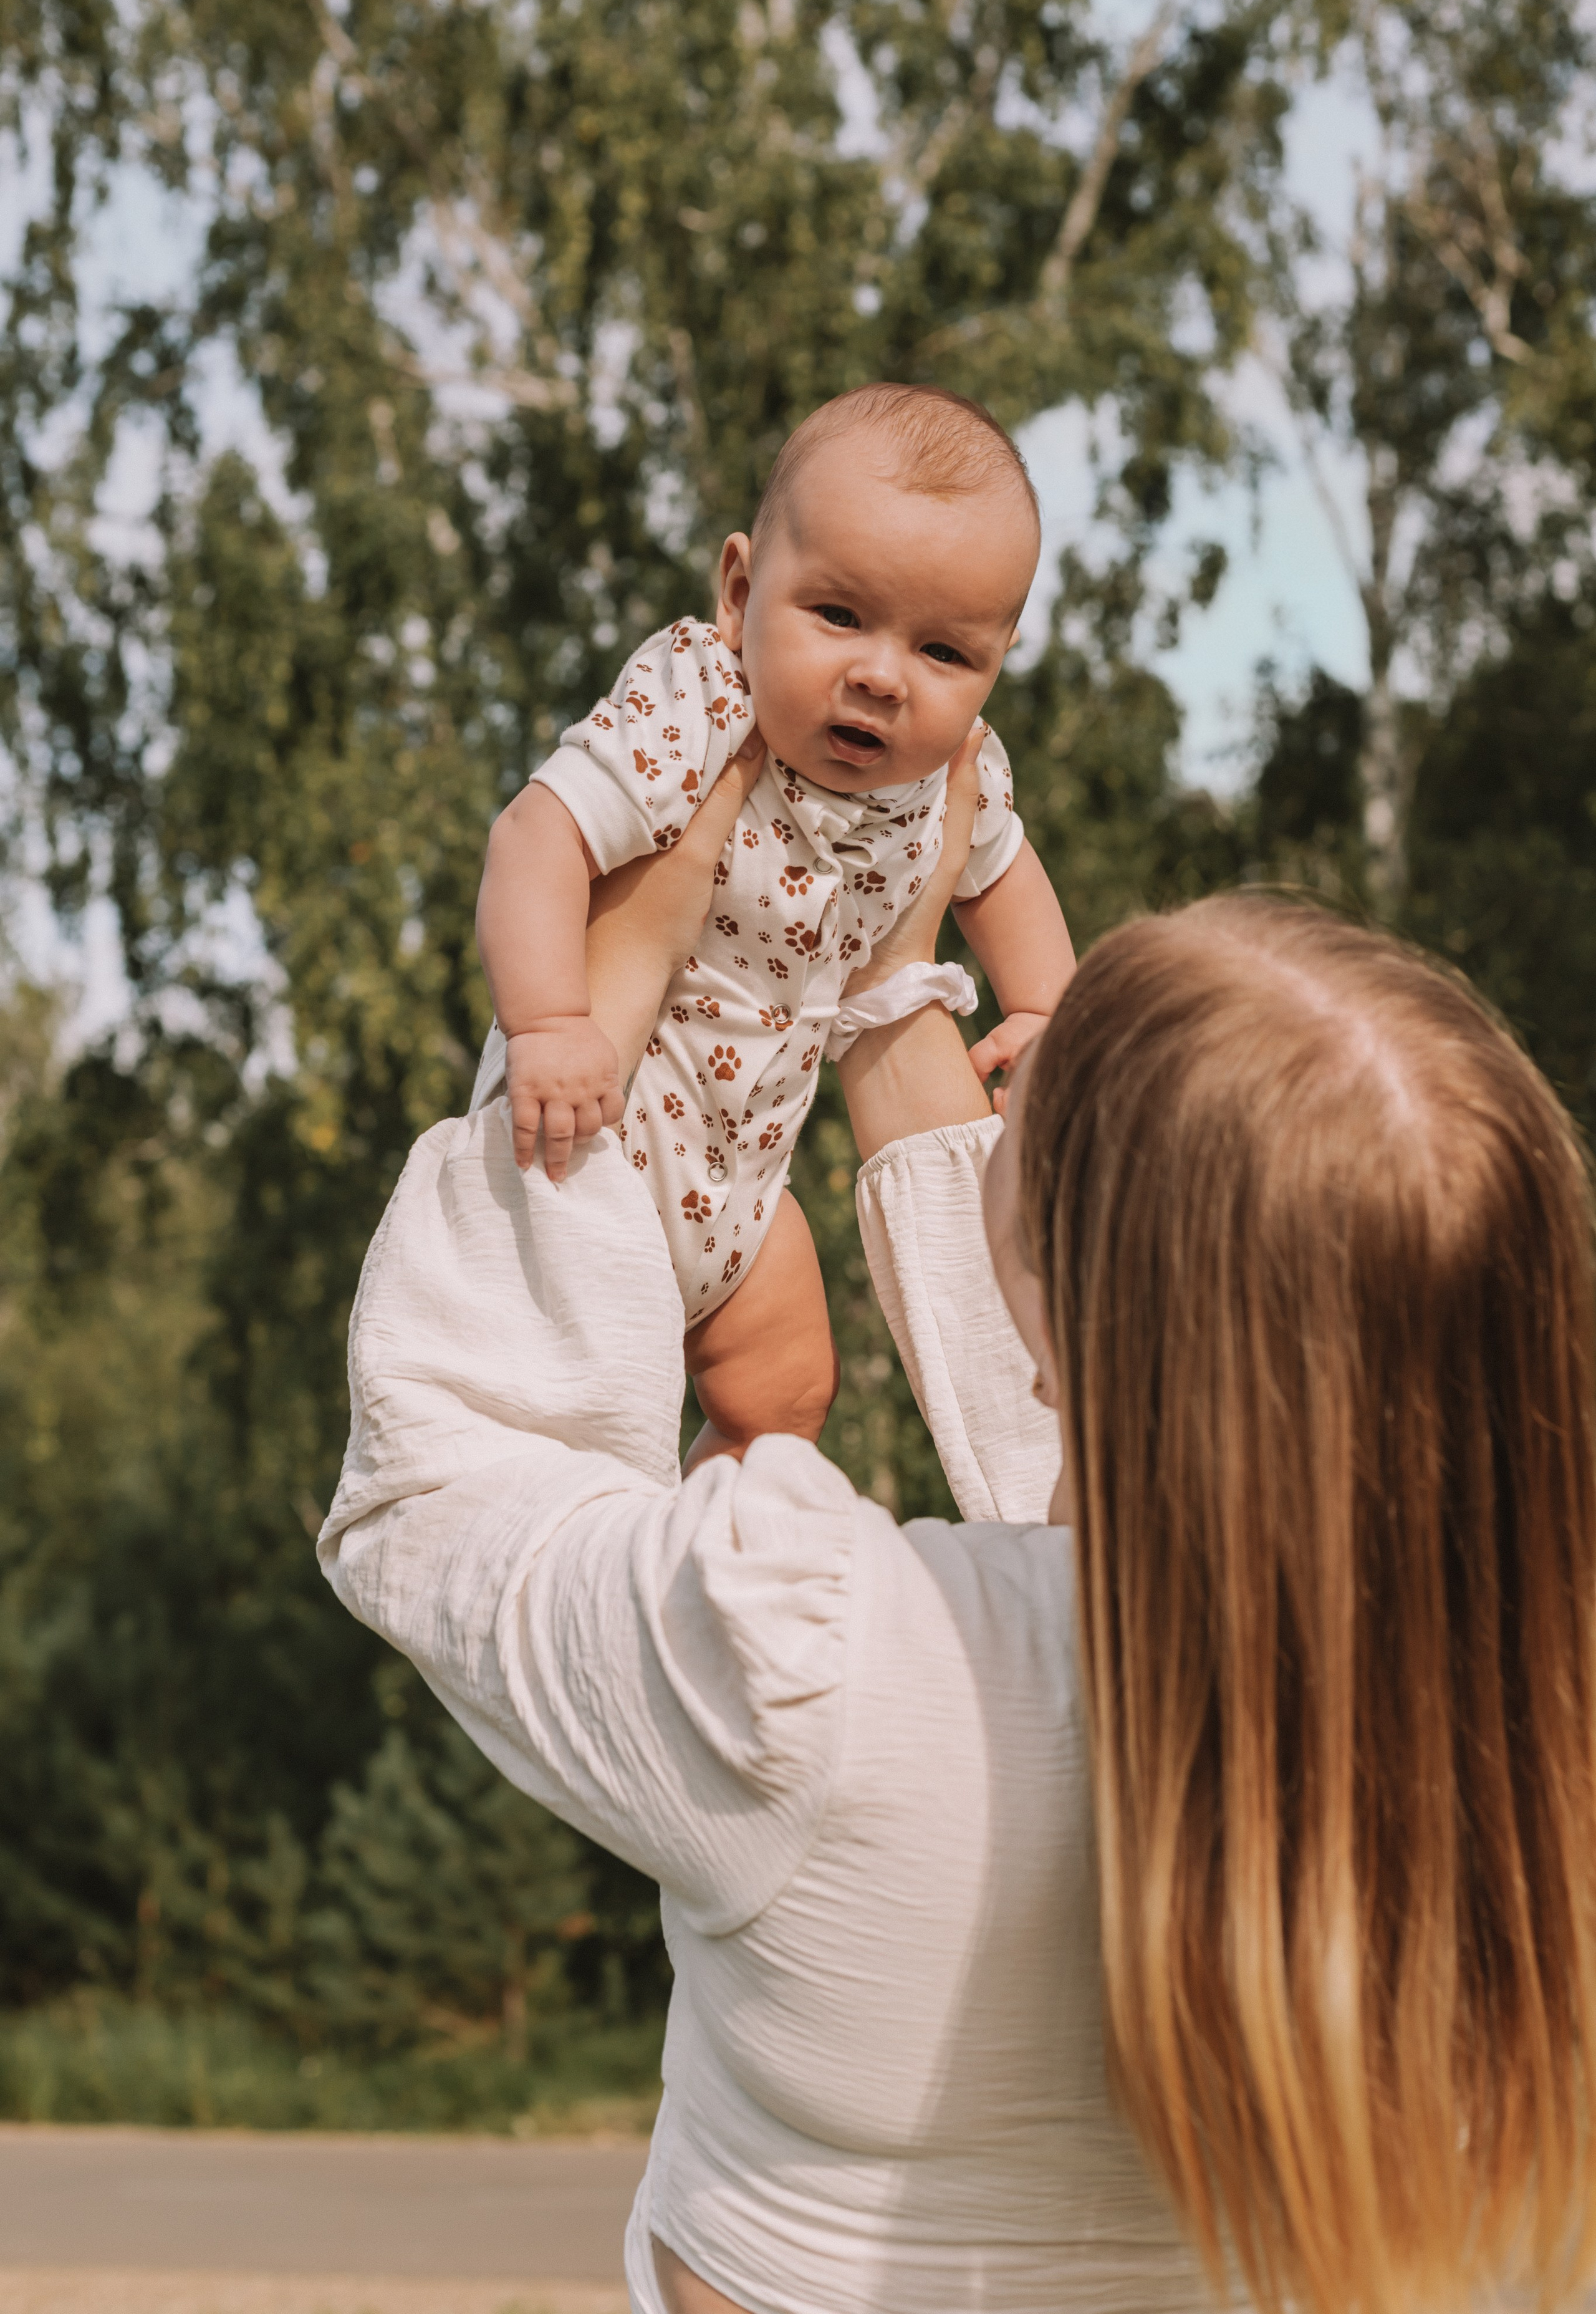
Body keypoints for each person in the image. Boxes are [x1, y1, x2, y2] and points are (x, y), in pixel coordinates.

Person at [322, 742, 1596, 2314]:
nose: (1013, 1074)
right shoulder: (1520, 1757)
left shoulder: (808, 1669)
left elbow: (439, 1477)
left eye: (1037, 1090)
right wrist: (890, 974)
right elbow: (1110, 1476)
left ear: (1060, 1291)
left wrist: (614, 985)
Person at [472, 383, 1074, 1467]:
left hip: (741, 1184)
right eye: (838, 616)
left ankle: (707, 1566)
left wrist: (1050, 1012)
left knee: (788, 1394)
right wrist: (549, 1023)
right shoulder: (701, 701)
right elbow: (534, 838)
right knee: (578, 1432)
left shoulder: (954, 778)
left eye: (945, 654)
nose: (882, 677)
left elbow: (1006, 882)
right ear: (742, 591)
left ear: (996, 661)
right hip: (596, 1130)